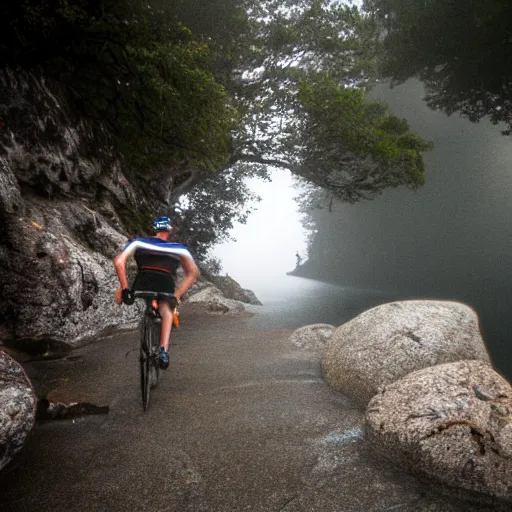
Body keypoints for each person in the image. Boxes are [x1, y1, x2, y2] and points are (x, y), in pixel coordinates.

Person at [113, 216, 200, 369]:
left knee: (146, 296)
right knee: (166, 309)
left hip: (142, 282)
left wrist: (125, 287)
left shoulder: (138, 242)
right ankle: (163, 351)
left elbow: (119, 261)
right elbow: (193, 273)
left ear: (155, 228)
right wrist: (176, 296)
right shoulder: (179, 248)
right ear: (169, 231)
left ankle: (150, 308)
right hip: (164, 283)